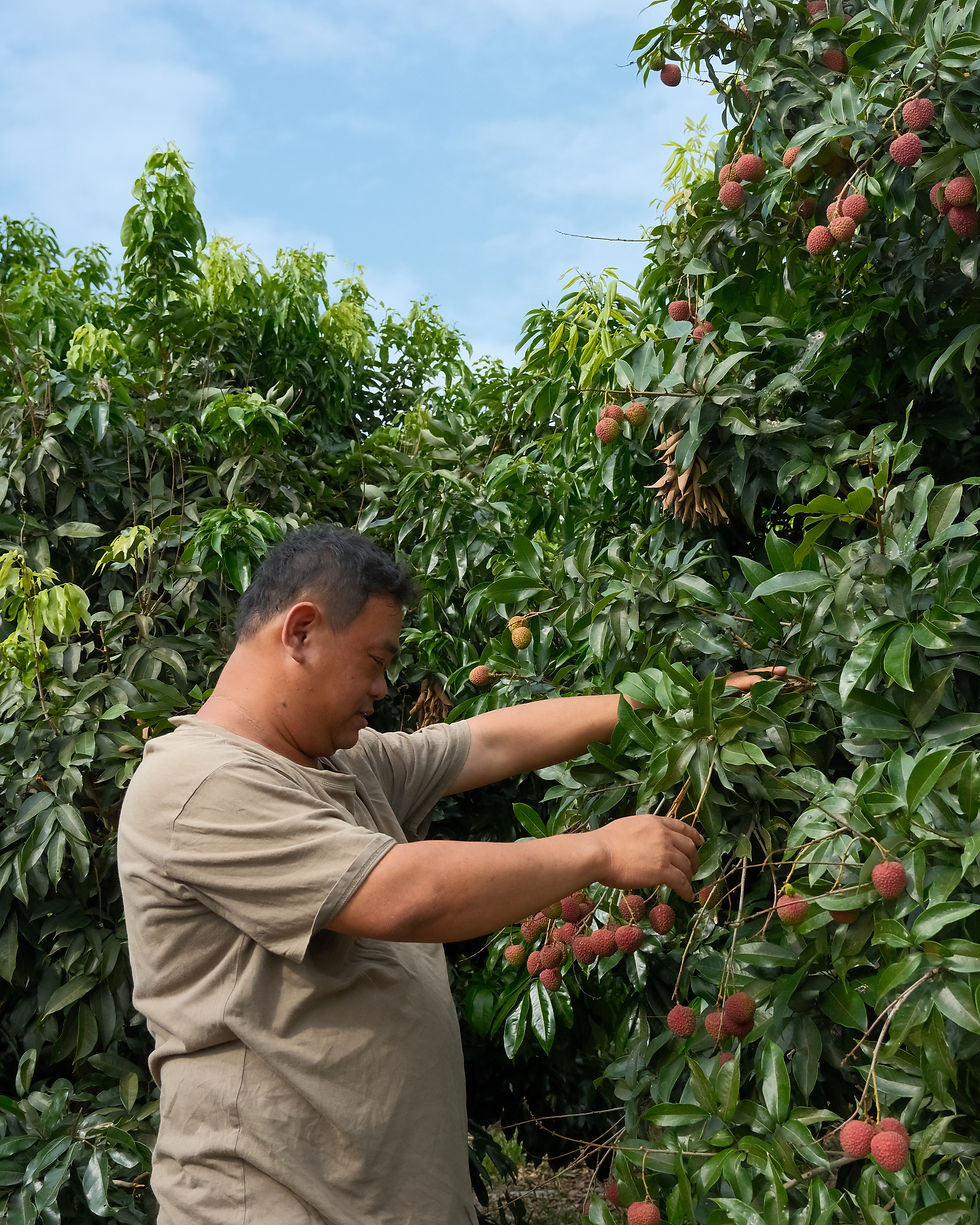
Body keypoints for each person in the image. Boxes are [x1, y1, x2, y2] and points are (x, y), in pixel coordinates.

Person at [117, 523, 783, 1225]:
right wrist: (600, 852)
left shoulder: (339, 761)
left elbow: (488, 740)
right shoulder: (196, 784)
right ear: (301, 632)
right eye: (375, 659)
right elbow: (403, 894)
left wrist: (679, 704)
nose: (382, 687)